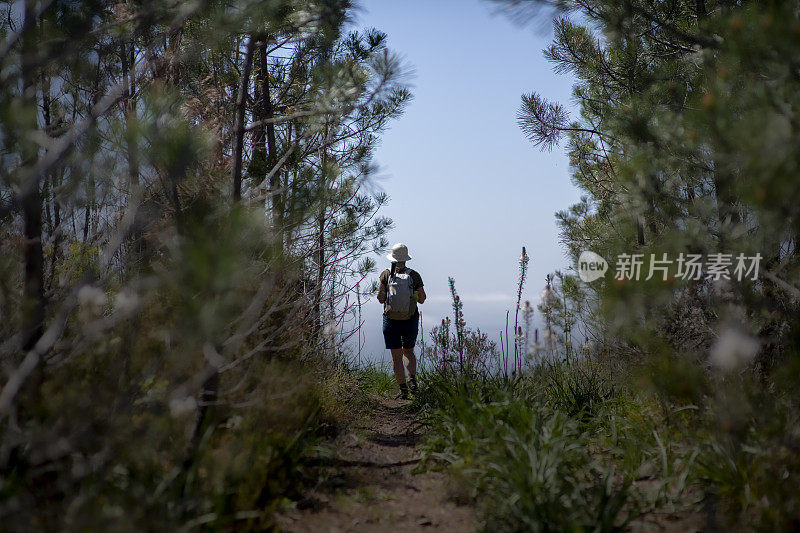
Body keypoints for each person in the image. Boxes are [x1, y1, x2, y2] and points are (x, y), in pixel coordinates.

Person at [377, 243, 426, 400]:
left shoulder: (386, 274)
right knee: (409, 351)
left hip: (391, 320)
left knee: (396, 356)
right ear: (406, 259)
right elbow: (423, 299)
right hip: (410, 319)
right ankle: (412, 381)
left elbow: (381, 298)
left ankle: (403, 390)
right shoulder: (414, 275)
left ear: (392, 257)